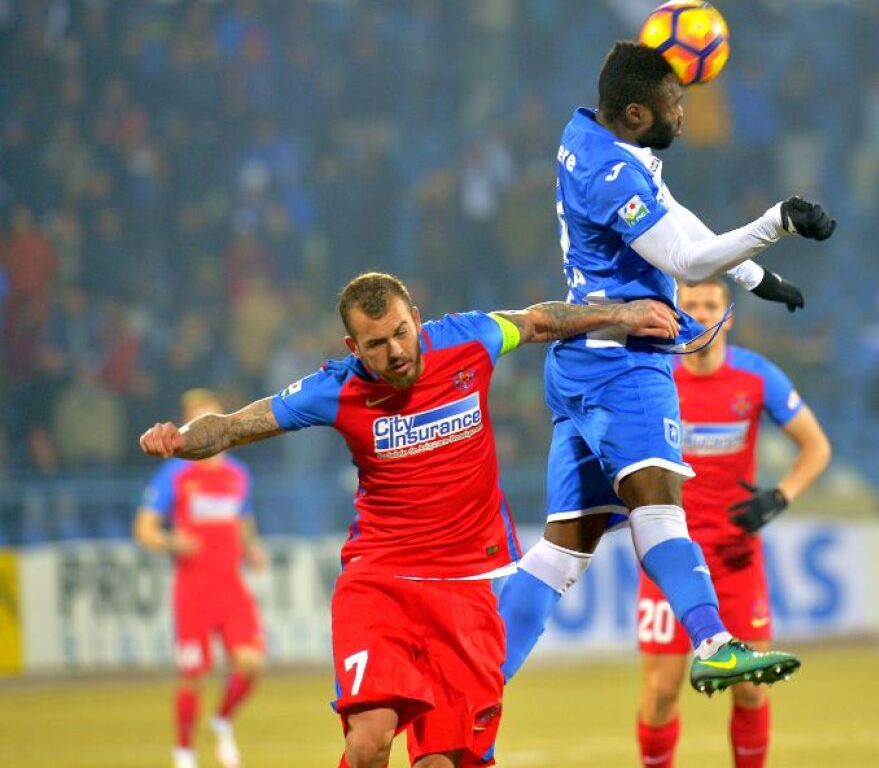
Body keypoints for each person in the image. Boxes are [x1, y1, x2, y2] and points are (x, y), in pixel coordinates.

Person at [138, 272, 681, 768]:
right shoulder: (336, 388)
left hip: (467, 588)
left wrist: (621, 314)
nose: (396, 351)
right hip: (381, 582)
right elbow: (236, 425)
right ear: (353, 347)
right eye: (376, 343)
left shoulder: (470, 339)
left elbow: (540, 321)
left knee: (442, 762)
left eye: (401, 332)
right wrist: (180, 440)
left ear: (416, 319)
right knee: (369, 740)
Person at [498, 41, 836, 694]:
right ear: (634, 113)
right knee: (660, 510)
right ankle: (714, 643)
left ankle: (479, 674)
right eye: (674, 104)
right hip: (625, 364)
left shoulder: (585, 134)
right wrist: (777, 222)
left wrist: (757, 277)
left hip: (579, 362)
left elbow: (671, 212)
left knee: (563, 549)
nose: (684, 115)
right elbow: (682, 261)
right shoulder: (611, 175)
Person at [635, 280, 832, 768]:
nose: (701, 314)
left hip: (736, 556)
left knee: (750, 687)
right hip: (669, 557)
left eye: (711, 305)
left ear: (728, 317)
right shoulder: (654, 374)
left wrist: (781, 495)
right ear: (675, 314)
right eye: (691, 306)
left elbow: (817, 447)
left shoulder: (756, 376)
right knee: (661, 691)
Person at [133, 388, 268, 768]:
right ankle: (184, 752)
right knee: (193, 676)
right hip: (193, 590)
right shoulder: (174, 473)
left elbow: (242, 520)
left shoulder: (238, 474)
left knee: (252, 663)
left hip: (231, 586)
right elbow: (144, 529)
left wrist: (252, 548)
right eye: (196, 418)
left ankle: (222, 721)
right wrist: (172, 541)